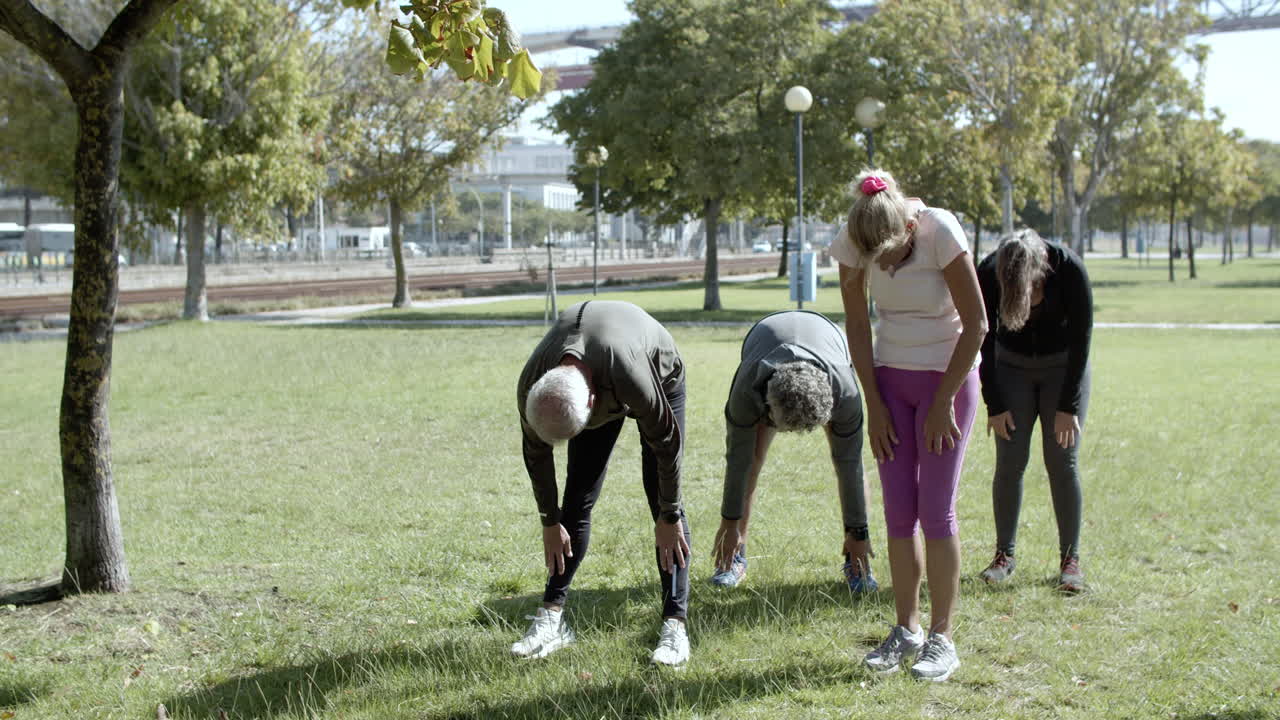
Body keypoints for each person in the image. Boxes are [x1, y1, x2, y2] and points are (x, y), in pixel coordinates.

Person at [832, 169, 987, 682]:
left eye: (893, 255)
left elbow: (978, 323)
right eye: (876, 259)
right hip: (891, 386)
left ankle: (943, 638)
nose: (886, 266)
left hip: (949, 378)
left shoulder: (941, 229)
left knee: (936, 510)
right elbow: (857, 323)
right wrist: (873, 403)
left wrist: (945, 399)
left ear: (909, 228)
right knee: (899, 512)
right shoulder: (857, 236)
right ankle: (908, 628)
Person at [512, 300, 693, 667]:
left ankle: (675, 627)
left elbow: (666, 447)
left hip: (657, 372)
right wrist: (550, 520)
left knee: (659, 499)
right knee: (576, 497)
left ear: (592, 403)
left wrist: (670, 515)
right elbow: (537, 457)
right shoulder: (535, 388)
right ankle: (551, 618)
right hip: (594, 377)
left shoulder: (632, 376)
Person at [711, 310, 877, 593]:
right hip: (764, 338)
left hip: (828, 346)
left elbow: (851, 465)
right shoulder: (746, 390)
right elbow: (738, 461)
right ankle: (735, 554)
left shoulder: (845, 394)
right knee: (752, 460)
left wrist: (859, 531)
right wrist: (729, 524)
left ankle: (857, 558)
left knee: (845, 464)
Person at [975, 229, 1093, 593]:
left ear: (1041, 270)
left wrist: (1068, 406)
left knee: (1062, 460)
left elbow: (1082, 337)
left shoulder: (1069, 268)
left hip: (1062, 368)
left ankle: (1070, 561)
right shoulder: (989, 271)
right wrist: (994, 404)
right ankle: (1004, 556)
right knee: (1010, 461)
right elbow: (983, 335)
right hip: (1010, 368)